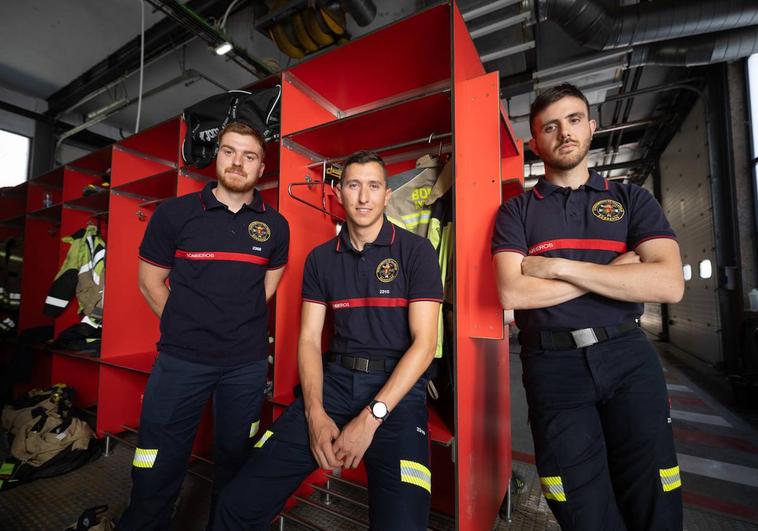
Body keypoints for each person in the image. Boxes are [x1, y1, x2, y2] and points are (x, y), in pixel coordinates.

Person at [213, 151, 443, 530]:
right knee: (237, 501)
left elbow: (424, 344)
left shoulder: (415, 252)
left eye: (373, 186)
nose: (364, 197)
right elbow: (307, 339)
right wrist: (314, 413)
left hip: (396, 398)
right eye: (354, 185)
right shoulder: (321, 259)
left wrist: (370, 420)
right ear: (339, 192)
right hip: (334, 385)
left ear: (387, 195)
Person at [492, 83, 684, 531]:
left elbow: (668, 282)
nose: (564, 133)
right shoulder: (516, 212)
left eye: (574, 120)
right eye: (550, 126)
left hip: (628, 356)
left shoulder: (631, 199)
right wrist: (615, 273)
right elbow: (512, 294)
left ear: (592, 127)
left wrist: (557, 268)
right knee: (574, 498)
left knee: (655, 491)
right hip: (552, 366)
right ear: (535, 142)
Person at [118, 121, 290, 530]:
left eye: (249, 156)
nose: (238, 162)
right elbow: (149, 281)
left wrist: (229, 323)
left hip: (245, 367)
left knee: (236, 461)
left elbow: (267, 285)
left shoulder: (276, 226)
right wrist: (187, 325)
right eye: (230, 151)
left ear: (261, 167)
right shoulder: (174, 215)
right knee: (156, 461)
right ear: (216, 157)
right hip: (180, 361)